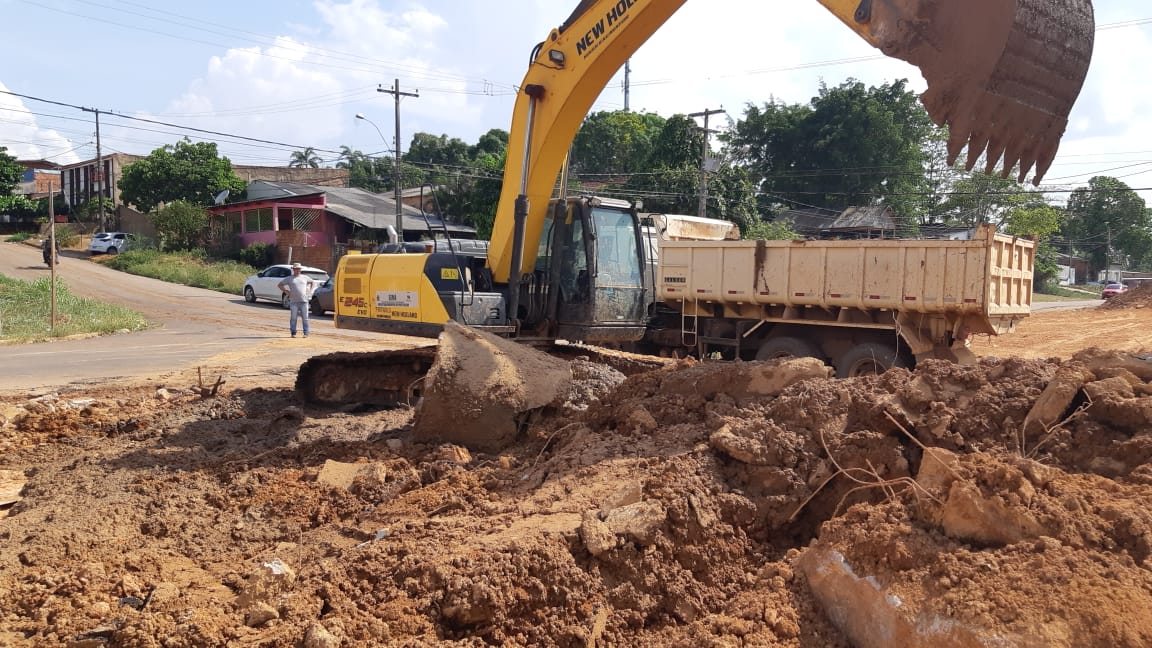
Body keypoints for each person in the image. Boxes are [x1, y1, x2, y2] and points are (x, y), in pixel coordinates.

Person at [277, 263, 317, 338]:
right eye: (296, 269)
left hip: (304, 301)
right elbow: (280, 285)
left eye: (298, 269)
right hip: (294, 302)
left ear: (300, 270)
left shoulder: (305, 277)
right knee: (293, 318)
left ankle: (306, 333)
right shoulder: (289, 278)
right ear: (293, 270)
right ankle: (293, 332)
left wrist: (310, 291)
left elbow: (312, 282)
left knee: (305, 318)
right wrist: (286, 291)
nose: (297, 270)